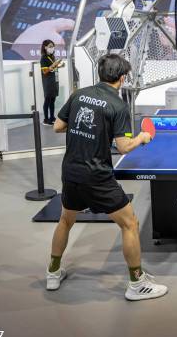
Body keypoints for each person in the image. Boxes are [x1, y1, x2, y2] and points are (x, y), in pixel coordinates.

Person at [45, 53, 168, 301]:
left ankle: (53, 272)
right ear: (122, 78)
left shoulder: (79, 95)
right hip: (96, 176)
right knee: (130, 223)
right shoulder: (117, 105)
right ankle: (136, 284)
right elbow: (123, 147)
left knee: (66, 220)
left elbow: (58, 126)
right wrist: (143, 138)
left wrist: (87, 126)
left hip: (71, 171)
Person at [40, 40, 64, 125]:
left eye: (53, 46)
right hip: (48, 82)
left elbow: (53, 68)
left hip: (54, 81)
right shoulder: (44, 58)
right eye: (50, 46)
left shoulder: (52, 56)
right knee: (47, 100)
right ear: (45, 47)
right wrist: (53, 65)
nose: (52, 48)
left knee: (52, 100)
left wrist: (59, 65)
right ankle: (46, 119)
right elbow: (45, 71)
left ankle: (52, 117)